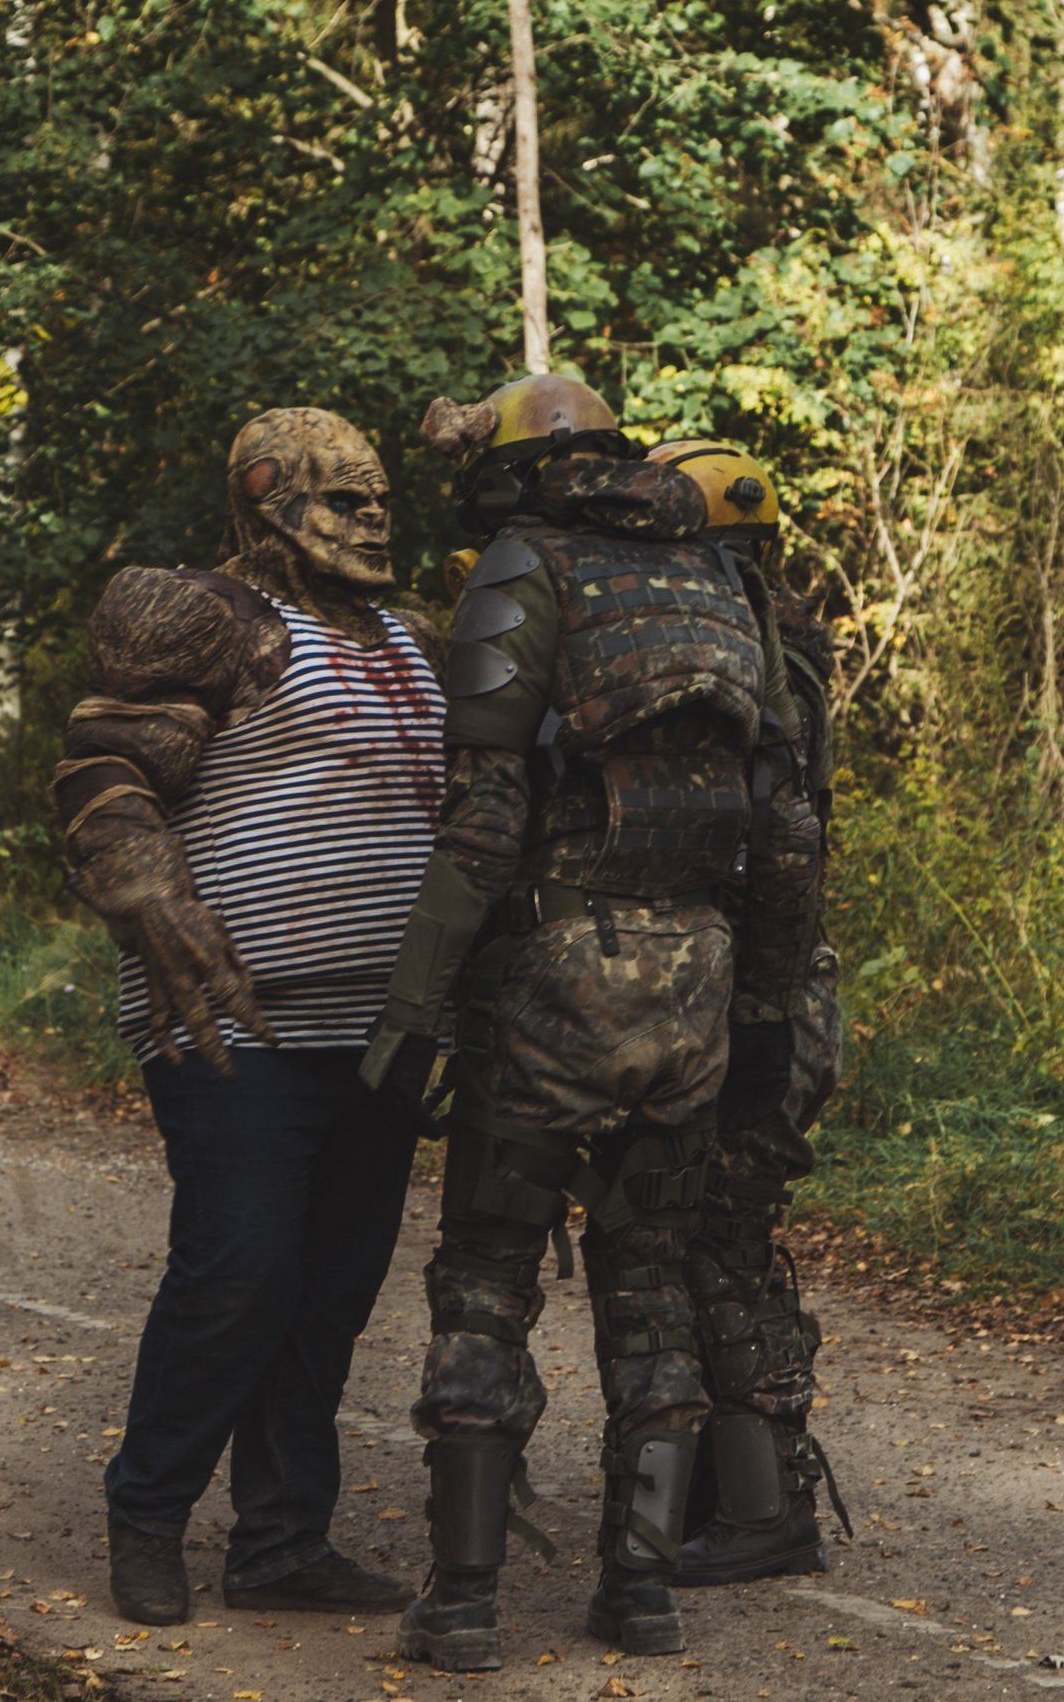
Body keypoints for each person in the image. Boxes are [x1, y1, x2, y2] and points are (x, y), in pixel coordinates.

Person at [358, 376, 824, 1666]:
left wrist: (411, 1006)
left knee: (488, 1280)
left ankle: (460, 1604)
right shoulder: (721, 584)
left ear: (513, 473)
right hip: (698, 991)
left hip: (555, 989)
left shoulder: (524, 567)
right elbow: (787, 832)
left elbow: (487, 819)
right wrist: (769, 1008)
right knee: (650, 1285)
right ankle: (643, 1593)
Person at [54, 406, 446, 1626]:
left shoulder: (411, 635)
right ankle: (148, 1513)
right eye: (342, 499)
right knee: (238, 1272)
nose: (372, 518)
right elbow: (102, 768)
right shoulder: (209, 615)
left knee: (328, 1290)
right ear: (264, 499)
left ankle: (281, 1544)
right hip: (239, 1024)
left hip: (383, 1027)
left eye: (381, 498)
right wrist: (145, 886)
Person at [645, 440, 853, 1585]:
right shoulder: (775, 641)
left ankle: (764, 1512)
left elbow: (778, 848)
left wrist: (763, 1026)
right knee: (703, 1244)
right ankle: (717, 1496)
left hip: (759, 998)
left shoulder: (755, 663)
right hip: (757, 989)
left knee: (714, 1249)